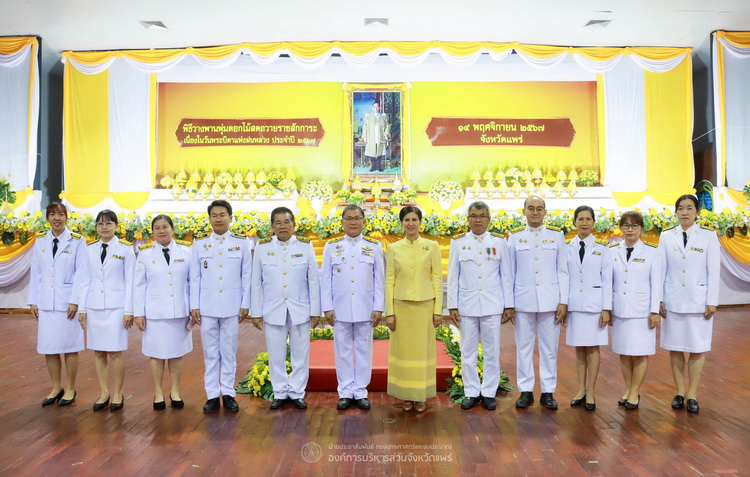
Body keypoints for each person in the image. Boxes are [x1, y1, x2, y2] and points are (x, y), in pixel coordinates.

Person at [250, 207, 321, 410]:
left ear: (294, 225)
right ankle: (280, 392)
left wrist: (315, 310)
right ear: (272, 226)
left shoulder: (305, 246)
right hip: (273, 308)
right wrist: (256, 312)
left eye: (287, 222)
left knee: (301, 353)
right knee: (275, 353)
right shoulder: (263, 248)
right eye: (278, 222)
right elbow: (256, 282)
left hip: (300, 307)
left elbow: (314, 280)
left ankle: (297, 391)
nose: (283, 226)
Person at [447, 201, 513, 411]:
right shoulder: (458, 243)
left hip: (492, 305)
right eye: (474, 215)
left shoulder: (500, 243)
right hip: (467, 305)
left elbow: (506, 276)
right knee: (468, 352)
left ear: (488, 219)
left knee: (492, 351)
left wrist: (508, 305)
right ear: (468, 219)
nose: (478, 219)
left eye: (482, 215)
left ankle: (489, 392)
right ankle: (471, 391)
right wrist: (452, 305)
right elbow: (453, 277)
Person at [658, 194, 720, 414]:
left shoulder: (708, 236)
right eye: (681, 208)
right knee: (675, 348)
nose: (684, 212)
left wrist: (711, 301)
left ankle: (692, 393)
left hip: (698, 301)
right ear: (676, 212)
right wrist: (659, 298)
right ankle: (679, 391)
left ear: (697, 212)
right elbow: (660, 270)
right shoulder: (666, 236)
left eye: (689, 208)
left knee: (697, 348)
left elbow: (714, 270)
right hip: (672, 300)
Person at [506, 196, 568, 410]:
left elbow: (563, 271)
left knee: (549, 349)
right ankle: (525, 391)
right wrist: (509, 303)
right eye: (530, 208)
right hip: (522, 301)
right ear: (523, 211)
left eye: (539, 208)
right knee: (523, 347)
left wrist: (563, 301)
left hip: (550, 302)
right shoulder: (514, 238)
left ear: (545, 212)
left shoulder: (556, 236)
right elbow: (509, 274)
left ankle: (548, 391)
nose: (535, 212)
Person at [190, 200, 252, 413]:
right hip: (207, 307)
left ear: (230, 218)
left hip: (232, 306)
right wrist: (195, 305)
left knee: (228, 350)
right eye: (214, 215)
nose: (218, 219)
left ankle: (228, 392)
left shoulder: (242, 243)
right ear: (209, 219)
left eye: (222, 215)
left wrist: (246, 304)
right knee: (210, 352)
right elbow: (194, 277)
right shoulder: (199, 244)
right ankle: (212, 395)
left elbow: (247, 276)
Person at [321, 205, 384, 411]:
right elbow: (326, 280)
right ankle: (346, 390)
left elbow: (379, 279)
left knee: (364, 350)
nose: (353, 222)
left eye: (357, 218)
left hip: (365, 307)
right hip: (340, 308)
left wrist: (378, 307)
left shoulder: (374, 246)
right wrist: (327, 307)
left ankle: (361, 390)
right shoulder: (332, 246)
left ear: (364, 222)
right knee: (343, 351)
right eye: (349, 218)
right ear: (342, 222)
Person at [384, 206, 443, 413]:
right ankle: (406, 396)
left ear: (420, 222)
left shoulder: (432, 246)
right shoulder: (393, 248)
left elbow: (437, 278)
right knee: (404, 352)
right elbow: (389, 280)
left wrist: (438, 310)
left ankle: (421, 396)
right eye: (407, 220)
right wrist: (389, 313)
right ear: (402, 223)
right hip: (401, 307)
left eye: (414, 219)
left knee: (422, 352)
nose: (411, 223)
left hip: (425, 306)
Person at [29, 201, 86, 407]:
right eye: (52, 214)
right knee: (49, 347)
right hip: (46, 302)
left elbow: (82, 273)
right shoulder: (40, 241)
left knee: (70, 347)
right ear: (47, 218)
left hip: (67, 303)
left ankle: (70, 388)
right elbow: (36, 273)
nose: (56, 218)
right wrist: (33, 300)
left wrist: (75, 300)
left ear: (66, 217)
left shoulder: (77, 241)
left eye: (60, 214)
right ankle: (56, 387)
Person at [133, 215, 193, 410]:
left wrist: (194, 308)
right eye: (157, 228)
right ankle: (158, 392)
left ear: (172, 228)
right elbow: (138, 286)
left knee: (176, 354)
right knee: (156, 354)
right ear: (152, 232)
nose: (161, 231)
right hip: (155, 312)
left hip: (179, 311)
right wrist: (138, 313)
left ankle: (175, 391)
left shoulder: (186, 250)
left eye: (165, 227)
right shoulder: (145, 253)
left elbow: (193, 282)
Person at [78, 210, 135, 411]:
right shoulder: (89, 248)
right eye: (100, 224)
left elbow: (131, 282)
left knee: (115, 353)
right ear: (96, 227)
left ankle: (118, 392)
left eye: (108, 223)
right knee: (99, 352)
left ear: (116, 226)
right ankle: (103, 392)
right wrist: (82, 308)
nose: (104, 227)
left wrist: (129, 310)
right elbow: (84, 280)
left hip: (117, 307)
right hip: (95, 306)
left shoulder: (126, 249)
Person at [610, 211, 662, 410]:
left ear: (641, 228)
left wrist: (654, 311)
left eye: (634, 225)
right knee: (624, 352)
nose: (630, 229)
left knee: (640, 352)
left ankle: (634, 391)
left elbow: (656, 283)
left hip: (642, 311)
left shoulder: (652, 252)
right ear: (621, 228)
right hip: (621, 309)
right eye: (626, 225)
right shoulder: (612, 250)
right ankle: (628, 389)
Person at [565, 206, 612, 411]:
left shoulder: (603, 248)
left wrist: (606, 308)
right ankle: (581, 389)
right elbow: (563, 277)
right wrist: (563, 305)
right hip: (575, 304)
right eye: (580, 219)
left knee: (593, 348)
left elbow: (608, 280)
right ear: (574, 222)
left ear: (593, 223)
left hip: (595, 306)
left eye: (588, 219)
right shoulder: (566, 247)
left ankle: (591, 390)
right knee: (579, 350)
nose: (584, 223)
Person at [362, 101, 389, 172]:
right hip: (371, 137)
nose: (376, 108)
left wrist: (386, 134)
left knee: (380, 151)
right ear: (372, 108)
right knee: (372, 152)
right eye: (374, 107)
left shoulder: (382, 117)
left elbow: (387, 126)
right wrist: (365, 137)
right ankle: (373, 167)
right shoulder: (368, 117)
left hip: (380, 137)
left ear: (379, 108)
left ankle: (379, 167)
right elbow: (365, 127)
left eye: (377, 107)